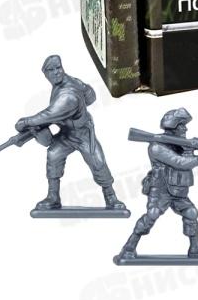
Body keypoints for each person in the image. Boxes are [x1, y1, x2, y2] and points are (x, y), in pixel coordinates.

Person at [17, 54, 124, 213]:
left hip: (83, 134)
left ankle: (111, 197)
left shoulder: (68, 94)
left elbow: (50, 114)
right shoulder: (63, 84)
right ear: (46, 75)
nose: (56, 72)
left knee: (98, 162)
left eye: (58, 68)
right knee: (53, 155)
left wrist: (26, 122)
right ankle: (53, 197)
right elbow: (90, 97)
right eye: (51, 70)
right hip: (67, 134)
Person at [116, 109, 198, 261]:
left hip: (178, 189)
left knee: (191, 213)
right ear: (173, 126)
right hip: (161, 190)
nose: (185, 129)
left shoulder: (181, 145)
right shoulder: (157, 147)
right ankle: (128, 248)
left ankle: (195, 248)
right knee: (152, 215)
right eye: (182, 125)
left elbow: (184, 161)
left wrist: (191, 150)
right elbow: (179, 163)